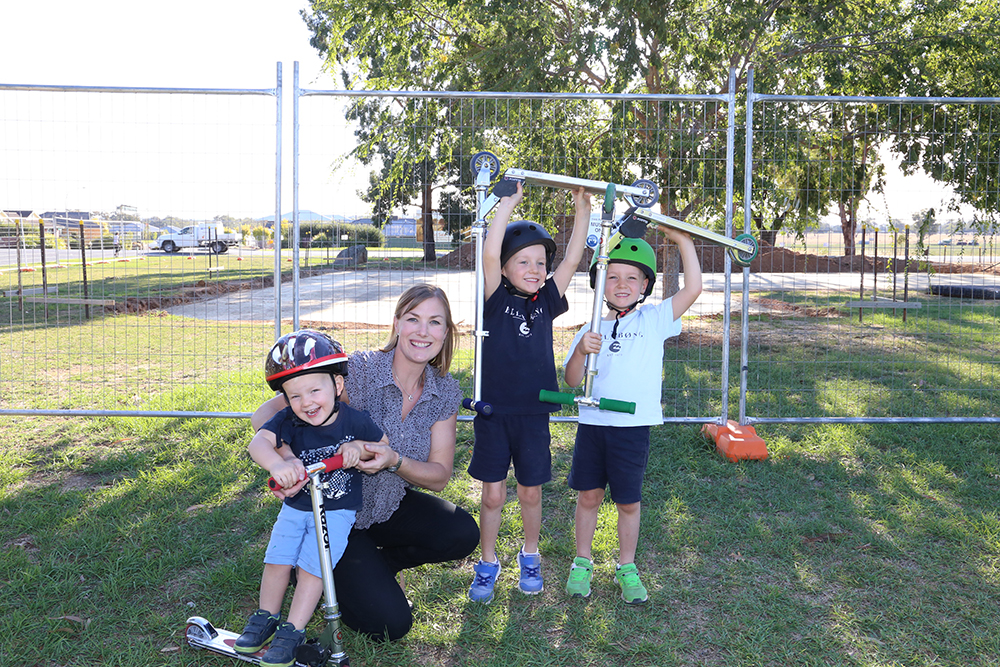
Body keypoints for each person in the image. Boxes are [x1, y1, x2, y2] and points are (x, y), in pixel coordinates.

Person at [252, 284, 479, 641]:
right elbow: (265, 415)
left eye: (435, 322)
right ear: (397, 324)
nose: (423, 331)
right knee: (392, 625)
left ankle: (370, 568)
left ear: (446, 332)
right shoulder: (357, 371)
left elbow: (438, 477)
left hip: (387, 505)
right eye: (413, 319)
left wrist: (394, 460)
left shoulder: (445, 390)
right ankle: (316, 565)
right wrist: (289, 463)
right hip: (334, 512)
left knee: (462, 532)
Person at [562, 230, 702, 604]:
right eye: (612, 276)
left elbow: (693, 290)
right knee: (588, 497)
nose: (621, 284)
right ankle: (582, 561)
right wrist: (580, 353)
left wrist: (683, 241)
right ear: (599, 282)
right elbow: (571, 380)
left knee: (628, 502)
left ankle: (627, 566)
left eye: (631, 277)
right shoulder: (589, 329)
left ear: (644, 284)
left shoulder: (655, 319)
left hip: (631, 429)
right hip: (593, 427)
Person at [466, 182, 590, 603]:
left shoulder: (547, 300)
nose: (535, 269)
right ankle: (487, 563)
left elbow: (573, 257)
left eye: (540, 262)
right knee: (494, 492)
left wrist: (582, 208)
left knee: (530, 491)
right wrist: (507, 204)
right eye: (524, 261)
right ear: (504, 268)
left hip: (534, 413)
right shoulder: (494, 298)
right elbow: (488, 250)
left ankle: (530, 556)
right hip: (493, 413)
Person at [236, 329, 386, 667]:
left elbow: (384, 447)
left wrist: (357, 448)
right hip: (295, 506)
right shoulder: (288, 421)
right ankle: (266, 618)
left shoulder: (355, 420)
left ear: (338, 385)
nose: (307, 403)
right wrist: (278, 463)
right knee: (277, 560)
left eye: (315, 390)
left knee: (312, 570)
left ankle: (293, 630)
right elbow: (258, 443)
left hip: (336, 510)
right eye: (295, 396)